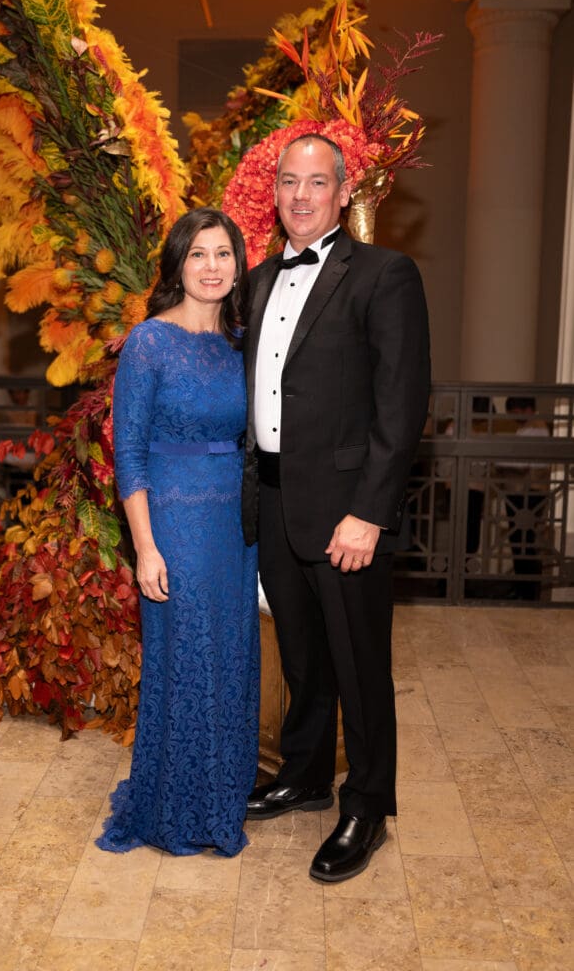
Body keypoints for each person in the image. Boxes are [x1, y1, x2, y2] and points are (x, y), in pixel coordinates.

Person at [241, 133, 430, 882]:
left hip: (347, 511)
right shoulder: (259, 280)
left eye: (316, 182)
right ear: (275, 192)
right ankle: (307, 774)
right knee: (302, 654)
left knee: (359, 664)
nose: (300, 195)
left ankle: (368, 804)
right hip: (274, 500)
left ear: (344, 193)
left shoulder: (384, 274)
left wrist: (369, 513)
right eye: (289, 181)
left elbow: (401, 403)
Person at [96, 207, 259, 857]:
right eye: (198, 254)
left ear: (238, 265)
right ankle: (175, 809)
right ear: (177, 264)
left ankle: (221, 801)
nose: (211, 267)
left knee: (230, 658)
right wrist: (145, 547)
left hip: (233, 527)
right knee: (187, 660)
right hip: (172, 520)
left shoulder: (242, 343)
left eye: (223, 254)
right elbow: (129, 453)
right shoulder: (149, 342)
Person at [498, 396, 550, 601]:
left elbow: (521, 462)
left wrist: (497, 460)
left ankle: (527, 592)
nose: (513, 417)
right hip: (521, 491)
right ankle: (521, 589)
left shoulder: (536, 428)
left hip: (528, 492)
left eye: (515, 413)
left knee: (523, 542)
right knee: (519, 541)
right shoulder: (527, 427)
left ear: (527, 409)